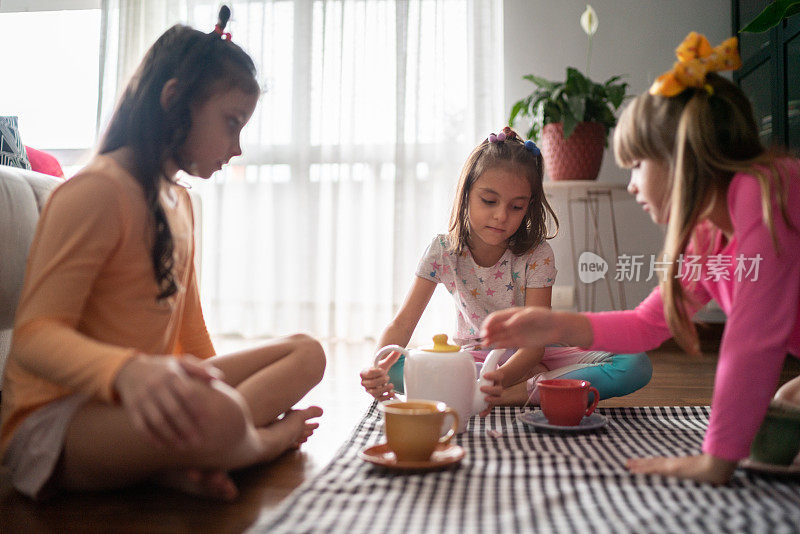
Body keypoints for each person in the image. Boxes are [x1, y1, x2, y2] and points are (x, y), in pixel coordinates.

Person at [0, 6, 325, 502]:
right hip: (58, 421)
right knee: (221, 415)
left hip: (145, 401)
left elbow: (190, 335)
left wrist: (208, 392)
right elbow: (33, 340)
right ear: (174, 101)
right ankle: (257, 445)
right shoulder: (96, 192)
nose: (236, 148)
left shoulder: (181, 203)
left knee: (307, 353)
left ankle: (186, 456)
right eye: (231, 123)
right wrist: (130, 371)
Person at [481, 32, 800, 484]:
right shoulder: (708, 235)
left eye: (636, 165)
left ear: (680, 157)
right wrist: (552, 325)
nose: (632, 185)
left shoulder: (765, 191)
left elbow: (751, 340)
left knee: (770, 422)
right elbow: (649, 324)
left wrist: (716, 460)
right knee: (782, 413)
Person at [360, 127, 652, 411]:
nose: (501, 216)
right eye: (489, 201)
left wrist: (502, 378)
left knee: (634, 363)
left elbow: (534, 346)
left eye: (516, 207)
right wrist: (377, 368)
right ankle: (539, 391)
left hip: (540, 354)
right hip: (474, 361)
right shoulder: (443, 250)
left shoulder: (537, 254)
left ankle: (508, 394)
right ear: (466, 195)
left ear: (529, 207)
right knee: (394, 367)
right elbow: (401, 325)